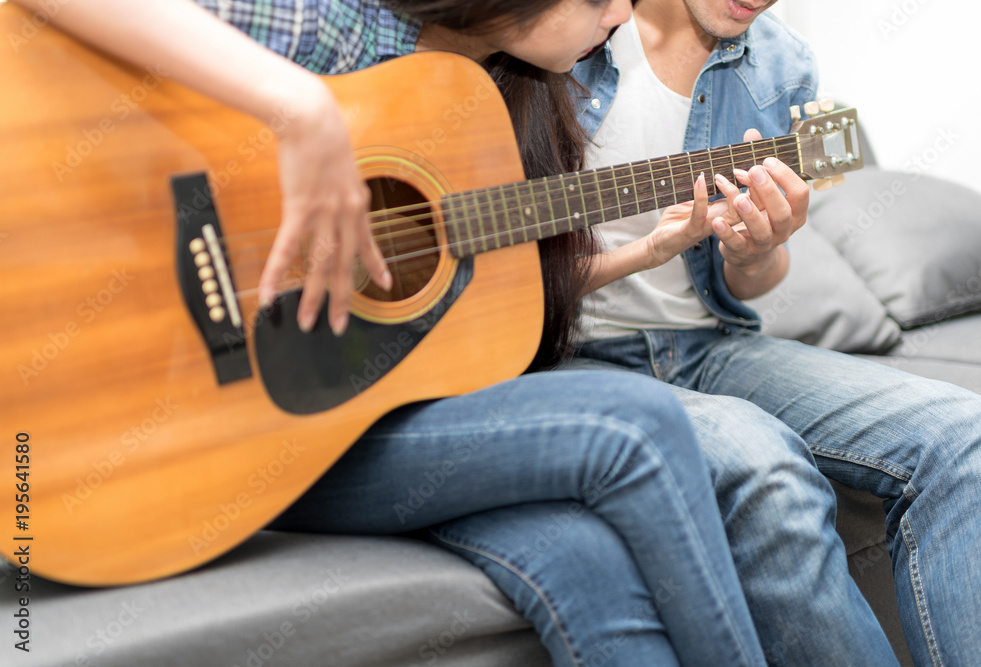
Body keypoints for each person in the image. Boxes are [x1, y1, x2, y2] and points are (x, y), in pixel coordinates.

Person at [11, 1, 775, 665]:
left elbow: (476, 289)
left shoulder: (507, 97)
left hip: (347, 424)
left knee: (589, 559)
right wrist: (299, 108)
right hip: (214, 436)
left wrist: (647, 250)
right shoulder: (342, 32)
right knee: (637, 422)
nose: (620, 18)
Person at [548, 1, 981, 665]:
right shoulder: (559, 31)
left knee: (970, 435)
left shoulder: (784, 67)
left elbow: (755, 280)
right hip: (570, 360)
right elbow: (507, 259)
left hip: (708, 347)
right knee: (769, 473)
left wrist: (757, 249)